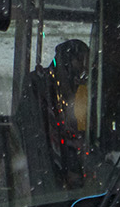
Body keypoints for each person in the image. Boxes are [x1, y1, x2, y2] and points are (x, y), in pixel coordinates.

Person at [13, 39, 91, 191]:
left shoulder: (69, 91)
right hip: (41, 165)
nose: (82, 69)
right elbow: (45, 134)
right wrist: (67, 170)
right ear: (67, 61)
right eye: (80, 61)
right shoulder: (40, 85)